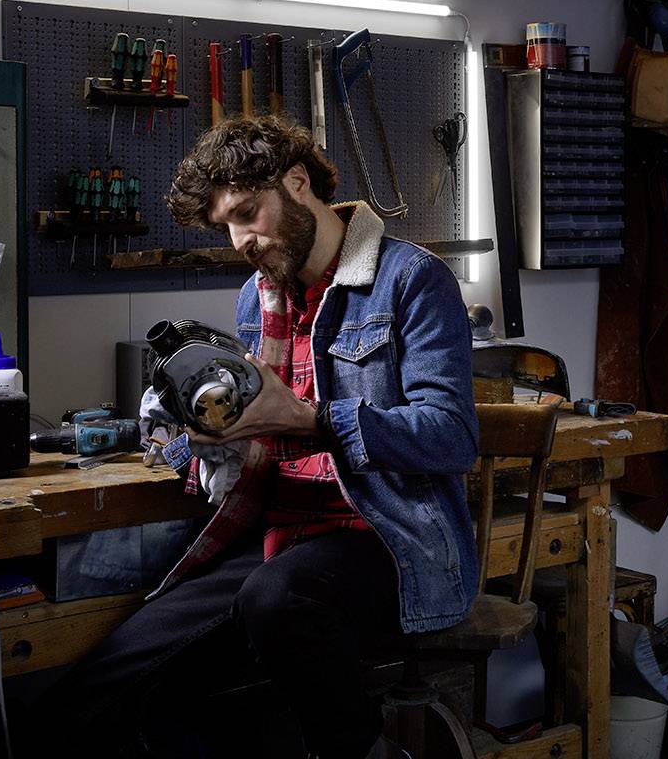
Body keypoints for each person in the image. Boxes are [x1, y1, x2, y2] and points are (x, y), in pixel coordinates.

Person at [38, 115, 479, 759]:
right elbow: (256, 426)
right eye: (227, 226)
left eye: (249, 213)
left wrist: (312, 420)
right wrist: (196, 437)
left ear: (298, 183)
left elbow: (451, 436)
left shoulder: (411, 280)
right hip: (274, 531)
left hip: (387, 537)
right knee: (103, 686)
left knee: (277, 600)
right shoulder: (257, 296)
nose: (241, 240)